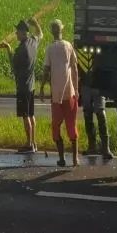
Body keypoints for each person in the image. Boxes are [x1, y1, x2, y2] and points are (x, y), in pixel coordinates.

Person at [0, 17, 43, 153]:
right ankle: (34, 143)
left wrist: (8, 48)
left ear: (24, 33)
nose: (16, 34)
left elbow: (13, 65)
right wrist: (36, 24)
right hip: (32, 85)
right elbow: (41, 34)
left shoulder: (21, 50)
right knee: (31, 114)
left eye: (18, 32)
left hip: (23, 86)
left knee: (25, 116)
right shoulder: (33, 42)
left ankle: (29, 144)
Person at [39, 19, 79, 167]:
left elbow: (46, 70)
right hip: (70, 93)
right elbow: (75, 69)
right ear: (62, 29)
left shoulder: (50, 48)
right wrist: (77, 89)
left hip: (56, 96)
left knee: (56, 126)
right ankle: (75, 159)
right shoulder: (68, 46)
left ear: (52, 31)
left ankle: (62, 158)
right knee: (71, 126)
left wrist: (42, 88)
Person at [81, 69, 114, 160]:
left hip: (99, 84)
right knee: (87, 114)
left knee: (101, 113)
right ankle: (92, 146)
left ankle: (105, 148)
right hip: (85, 84)